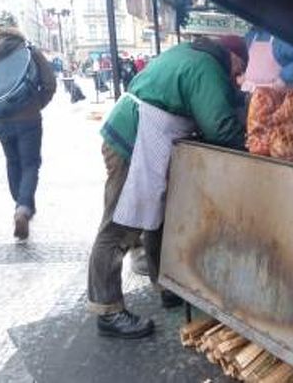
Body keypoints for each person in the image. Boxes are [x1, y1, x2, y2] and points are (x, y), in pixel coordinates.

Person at [88, 35, 248, 339]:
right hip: (131, 141)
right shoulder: (208, 67)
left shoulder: (193, 54)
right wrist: (251, 144)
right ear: (232, 55)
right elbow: (220, 127)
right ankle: (107, 310)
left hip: (140, 135)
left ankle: (168, 285)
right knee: (119, 225)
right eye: (240, 68)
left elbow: (216, 101)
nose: (238, 77)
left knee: (158, 219)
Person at [0, 11, 57, 239]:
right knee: (30, 163)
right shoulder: (28, 49)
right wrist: (37, 104)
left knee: (13, 161)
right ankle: (23, 208)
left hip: (1, 121)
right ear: (15, 26)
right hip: (29, 118)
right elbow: (49, 83)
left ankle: (20, 206)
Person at [240, 27, 293, 92]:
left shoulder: (282, 38)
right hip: (251, 97)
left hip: (279, 99)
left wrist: (284, 78)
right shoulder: (250, 36)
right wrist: (244, 75)